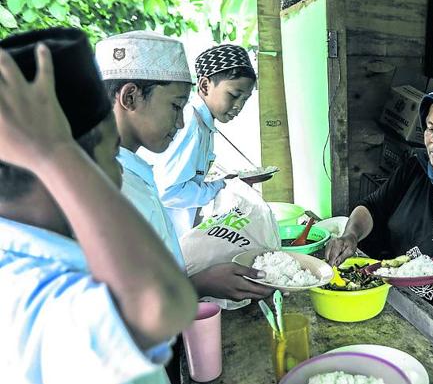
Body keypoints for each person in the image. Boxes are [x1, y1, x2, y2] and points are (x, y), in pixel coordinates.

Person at [0, 28, 197, 384]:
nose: (119, 169)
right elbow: (165, 304)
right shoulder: (41, 290)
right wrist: (54, 151)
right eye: (110, 154)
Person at [95, 32, 272, 304]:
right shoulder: (105, 185)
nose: (179, 123)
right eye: (175, 106)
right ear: (130, 97)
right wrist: (198, 284)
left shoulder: (130, 171)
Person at [325, 82, 433, 330]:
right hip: (388, 299)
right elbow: (373, 207)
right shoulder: (415, 168)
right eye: (430, 128)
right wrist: (351, 235)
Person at [147, 44, 256, 239]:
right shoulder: (190, 123)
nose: (239, 106)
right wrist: (219, 187)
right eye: (233, 95)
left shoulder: (204, 125)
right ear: (205, 86)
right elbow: (169, 191)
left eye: (245, 99)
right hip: (163, 235)